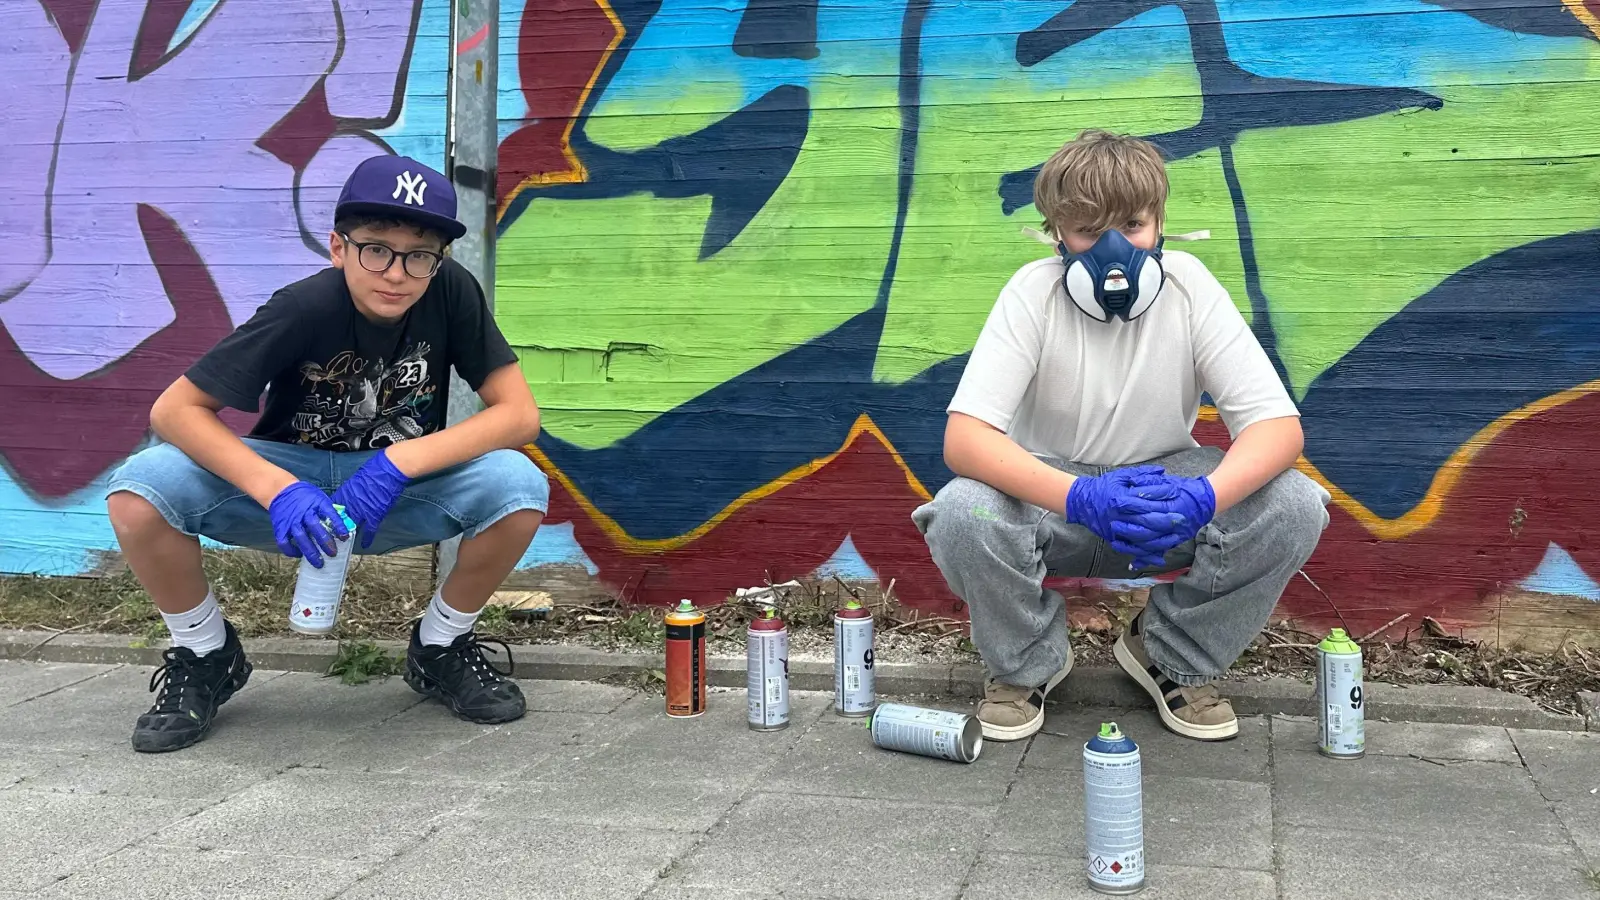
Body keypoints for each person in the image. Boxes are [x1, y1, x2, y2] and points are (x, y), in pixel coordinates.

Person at [105, 155, 550, 753]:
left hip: (395, 489)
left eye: (419, 256)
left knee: (518, 486)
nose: (397, 273)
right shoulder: (303, 306)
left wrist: (398, 463)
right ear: (339, 248)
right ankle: (206, 654)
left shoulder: (451, 292)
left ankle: (441, 644)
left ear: (439, 260)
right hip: (289, 489)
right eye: (376, 250)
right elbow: (174, 410)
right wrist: (278, 489)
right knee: (141, 489)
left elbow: (519, 415)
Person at [912, 130, 1330, 743]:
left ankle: (1172, 654)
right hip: (1052, 498)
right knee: (962, 513)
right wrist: (1079, 497)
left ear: (1160, 224)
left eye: (1133, 225)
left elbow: (1278, 429)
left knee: (1293, 505)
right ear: (1057, 233)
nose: (1114, 249)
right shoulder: (1033, 292)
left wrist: (1205, 497)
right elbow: (966, 440)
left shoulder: (1188, 287)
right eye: (1088, 230)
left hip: (1165, 495)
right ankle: (1026, 665)